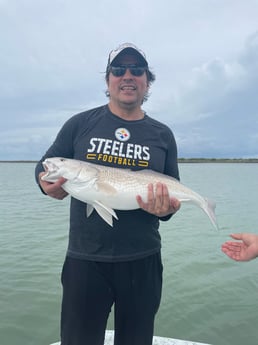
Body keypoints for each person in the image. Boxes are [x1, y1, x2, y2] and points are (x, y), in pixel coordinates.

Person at [35, 42, 181, 345]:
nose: (127, 76)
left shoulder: (162, 134)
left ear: (147, 81)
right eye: (118, 70)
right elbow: (46, 164)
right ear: (108, 80)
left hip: (143, 260)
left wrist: (166, 209)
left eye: (137, 70)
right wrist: (44, 182)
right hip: (85, 261)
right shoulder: (80, 124)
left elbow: (171, 196)